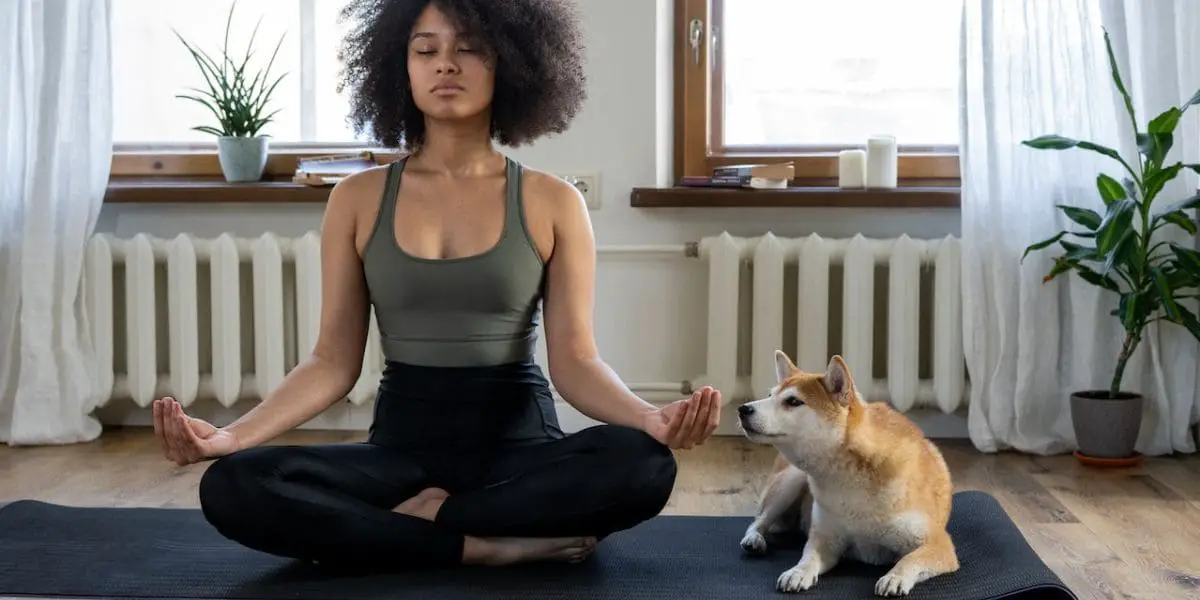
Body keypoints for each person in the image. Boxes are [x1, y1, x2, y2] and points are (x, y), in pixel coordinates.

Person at [150, 0, 723, 572]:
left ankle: (422, 525)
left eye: (468, 48)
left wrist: (648, 418)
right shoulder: (356, 198)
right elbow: (331, 362)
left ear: (511, 65)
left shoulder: (554, 201)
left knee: (644, 465)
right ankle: (475, 541)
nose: (445, 64)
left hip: (518, 451)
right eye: (426, 50)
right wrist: (232, 436)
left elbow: (575, 362)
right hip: (400, 452)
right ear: (400, 68)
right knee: (235, 485)